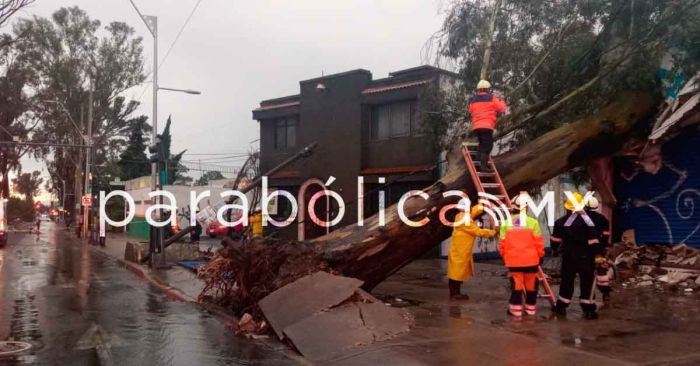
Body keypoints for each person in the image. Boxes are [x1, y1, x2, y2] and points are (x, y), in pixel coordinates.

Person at [551, 192, 602, 320]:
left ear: (567, 207)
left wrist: (555, 249)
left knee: (567, 281)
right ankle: (589, 310)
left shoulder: (560, 222)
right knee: (587, 281)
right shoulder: (589, 222)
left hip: (569, 257)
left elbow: (555, 242)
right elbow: (594, 241)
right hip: (586, 256)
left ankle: (562, 306)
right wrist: (598, 256)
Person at [499, 193, 545, 317]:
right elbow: (539, 242)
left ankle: (516, 311)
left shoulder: (506, 223)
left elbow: (502, 244)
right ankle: (531, 309)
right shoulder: (533, 223)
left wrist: (504, 256)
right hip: (531, 260)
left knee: (516, 285)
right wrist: (541, 255)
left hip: (513, 261)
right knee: (531, 285)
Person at [447, 204, 498, 301]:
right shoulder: (465, 220)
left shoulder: (460, 216)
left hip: (458, 249)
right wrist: (493, 232)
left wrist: (481, 206)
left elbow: (473, 213)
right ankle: (455, 294)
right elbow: (478, 232)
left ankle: (455, 293)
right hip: (460, 251)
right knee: (456, 274)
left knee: (455, 272)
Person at [468, 80, 507, 172]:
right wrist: (503, 101)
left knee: (482, 144)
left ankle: (478, 158)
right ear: (488, 89)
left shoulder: (473, 99)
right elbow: (501, 109)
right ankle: (483, 167)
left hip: (476, 127)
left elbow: (470, 110)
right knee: (488, 146)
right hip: (486, 126)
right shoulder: (491, 98)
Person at [586, 196, 613, 303]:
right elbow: (606, 235)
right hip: (598, 251)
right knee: (601, 271)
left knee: (587, 272)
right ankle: (606, 293)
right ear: (597, 206)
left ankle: (589, 295)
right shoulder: (603, 219)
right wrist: (603, 246)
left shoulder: (583, 219)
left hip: (586, 251)